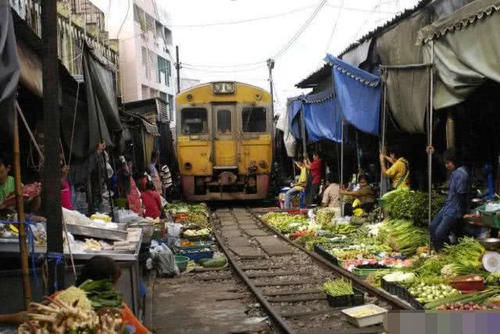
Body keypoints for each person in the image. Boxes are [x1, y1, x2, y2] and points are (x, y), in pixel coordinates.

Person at [430, 149, 469, 251]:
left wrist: (463, 213)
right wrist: (434, 152)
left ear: (454, 161)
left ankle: (445, 253)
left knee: (439, 233)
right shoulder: (455, 172)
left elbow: (462, 196)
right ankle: (441, 251)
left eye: (448, 163)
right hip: (447, 206)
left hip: (454, 209)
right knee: (432, 226)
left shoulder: (461, 174)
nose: (446, 166)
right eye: (445, 163)